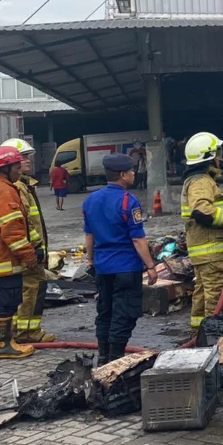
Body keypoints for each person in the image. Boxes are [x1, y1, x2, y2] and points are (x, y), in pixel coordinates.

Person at [83, 154, 158, 365]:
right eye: (132, 171)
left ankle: (103, 357)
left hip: (103, 267)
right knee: (124, 313)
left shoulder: (91, 200)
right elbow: (137, 238)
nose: (135, 173)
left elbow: (89, 236)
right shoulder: (128, 201)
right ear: (123, 175)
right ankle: (116, 358)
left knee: (105, 311)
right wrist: (151, 266)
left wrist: (91, 261)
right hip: (126, 267)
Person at [0, 146, 41, 360]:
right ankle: (3, 345)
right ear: (5, 168)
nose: (20, 170)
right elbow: (12, 230)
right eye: (16, 166)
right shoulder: (4, 191)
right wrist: (28, 255)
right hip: (4, 260)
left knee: (4, 299)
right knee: (9, 300)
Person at [180, 132, 223, 333]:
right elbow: (201, 210)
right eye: (217, 153)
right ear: (210, 157)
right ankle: (213, 342)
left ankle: (198, 336)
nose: (220, 158)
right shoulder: (201, 182)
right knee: (216, 299)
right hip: (212, 254)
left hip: (204, 254)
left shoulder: (197, 180)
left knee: (201, 295)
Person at [0, 138, 55, 343]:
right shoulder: (18, 187)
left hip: (32, 247)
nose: (28, 161)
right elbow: (23, 222)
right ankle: (26, 333)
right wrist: (34, 248)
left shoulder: (24, 184)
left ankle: (28, 330)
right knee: (30, 290)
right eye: (23, 157)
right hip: (29, 251)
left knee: (34, 290)